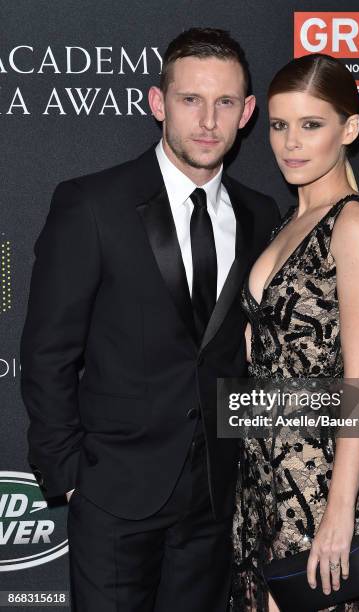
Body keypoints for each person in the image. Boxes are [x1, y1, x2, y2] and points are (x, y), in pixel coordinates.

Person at [19, 28, 280, 612]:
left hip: (215, 498)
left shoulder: (261, 214)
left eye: (226, 102)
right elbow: (47, 350)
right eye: (191, 100)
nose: (208, 120)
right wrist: (68, 473)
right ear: (158, 103)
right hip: (114, 493)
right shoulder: (91, 203)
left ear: (248, 113)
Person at [231, 53, 359, 611]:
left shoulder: (356, 224)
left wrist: (339, 510)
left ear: (348, 129)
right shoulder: (287, 222)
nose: (290, 143)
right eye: (279, 125)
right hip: (260, 475)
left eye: (311, 124)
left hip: (315, 480)